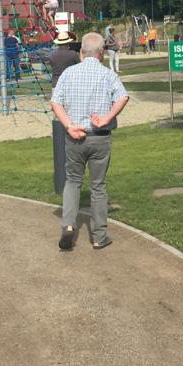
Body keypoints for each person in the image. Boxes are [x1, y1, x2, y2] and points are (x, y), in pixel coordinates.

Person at [50, 32, 129, 251]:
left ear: (82, 52)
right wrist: (107, 118)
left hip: (75, 136)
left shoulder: (69, 73)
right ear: (102, 53)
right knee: (98, 186)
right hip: (99, 136)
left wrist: (68, 125)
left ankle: (67, 225)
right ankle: (99, 235)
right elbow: (123, 97)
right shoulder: (108, 74)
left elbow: (55, 102)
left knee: (73, 181)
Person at [49, 31, 81, 194]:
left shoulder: (53, 55)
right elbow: (78, 66)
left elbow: (52, 67)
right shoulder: (73, 54)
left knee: (57, 105)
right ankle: (69, 122)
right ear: (68, 42)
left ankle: (58, 123)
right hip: (70, 81)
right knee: (69, 106)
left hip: (56, 82)